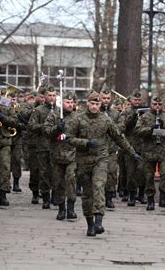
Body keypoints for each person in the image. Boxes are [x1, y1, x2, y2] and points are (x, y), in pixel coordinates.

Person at [68, 91, 141, 236]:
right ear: (87, 103)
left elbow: (118, 138)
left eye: (97, 104)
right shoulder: (78, 119)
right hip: (83, 161)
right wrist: (86, 143)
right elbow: (69, 138)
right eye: (92, 103)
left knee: (99, 185)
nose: (94, 106)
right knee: (87, 194)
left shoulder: (106, 120)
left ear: (100, 104)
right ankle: (90, 223)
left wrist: (132, 152)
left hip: (101, 159)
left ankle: (99, 221)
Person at [134, 96, 165, 210]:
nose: (157, 106)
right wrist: (150, 129)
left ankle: (163, 198)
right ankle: (150, 199)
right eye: (155, 104)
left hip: (163, 151)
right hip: (149, 152)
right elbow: (137, 131)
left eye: (159, 104)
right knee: (148, 176)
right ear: (151, 104)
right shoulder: (144, 117)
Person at [43, 90, 78, 220]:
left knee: (71, 180)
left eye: (71, 102)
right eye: (67, 102)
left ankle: (71, 208)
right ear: (61, 102)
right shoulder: (54, 116)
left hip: (72, 155)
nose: (70, 104)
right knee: (58, 183)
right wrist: (56, 129)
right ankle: (61, 208)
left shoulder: (77, 117)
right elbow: (46, 131)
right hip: (57, 155)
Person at [28, 85, 56, 209]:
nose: (51, 98)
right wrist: (44, 127)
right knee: (43, 172)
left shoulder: (59, 110)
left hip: (56, 146)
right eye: (49, 95)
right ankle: (45, 197)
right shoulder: (38, 110)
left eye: (54, 95)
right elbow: (31, 126)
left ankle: (56, 196)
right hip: (42, 145)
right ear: (45, 96)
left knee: (55, 172)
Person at [117, 89, 146, 206]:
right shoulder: (126, 112)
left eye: (139, 100)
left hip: (143, 146)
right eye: (135, 100)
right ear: (131, 100)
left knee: (142, 172)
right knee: (131, 173)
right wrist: (132, 117)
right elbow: (122, 128)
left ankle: (142, 194)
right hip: (130, 146)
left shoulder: (145, 111)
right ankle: (132, 195)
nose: (137, 102)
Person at [99, 83, 119, 209]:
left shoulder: (115, 114)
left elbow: (121, 128)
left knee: (111, 173)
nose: (106, 101)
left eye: (108, 98)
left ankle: (109, 197)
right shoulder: (95, 111)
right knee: (99, 175)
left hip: (111, 149)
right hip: (98, 149)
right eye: (103, 98)